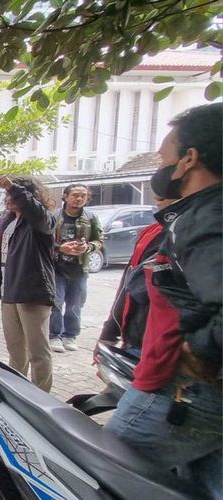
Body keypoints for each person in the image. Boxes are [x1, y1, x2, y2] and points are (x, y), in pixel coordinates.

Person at [106, 103, 222, 499]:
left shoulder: (206, 218)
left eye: (164, 157)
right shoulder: (198, 215)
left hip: (186, 393)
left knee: (103, 474)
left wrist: (201, 348)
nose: (159, 166)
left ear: (189, 160)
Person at [0, 175, 56, 393]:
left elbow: (38, 214)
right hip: (9, 292)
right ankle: (16, 392)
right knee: (15, 349)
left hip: (33, 292)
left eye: (14, 194)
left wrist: (13, 185)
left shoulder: (40, 221)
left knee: (38, 352)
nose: (9, 198)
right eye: (7, 194)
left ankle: (40, 398)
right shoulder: (8, 221)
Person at [97, 195, 176, 357]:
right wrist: (109, 333)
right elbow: (127, 286)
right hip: (137, 339)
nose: (158, 197)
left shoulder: (198, 235)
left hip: (172, 350)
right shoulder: (151, 232)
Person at [48, 183, 103, 353]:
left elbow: (98, 240)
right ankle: (53, 335)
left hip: (79, 269)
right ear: (65, 196)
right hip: (57, 267)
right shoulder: (54, 216)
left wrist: (88, 248)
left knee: (75, 303)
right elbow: (44, 240)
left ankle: (70, 335)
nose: (79, 199)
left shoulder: (91, 217)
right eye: (75, 195)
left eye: (83, 195)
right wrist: (59, 248)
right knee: (55, 302)